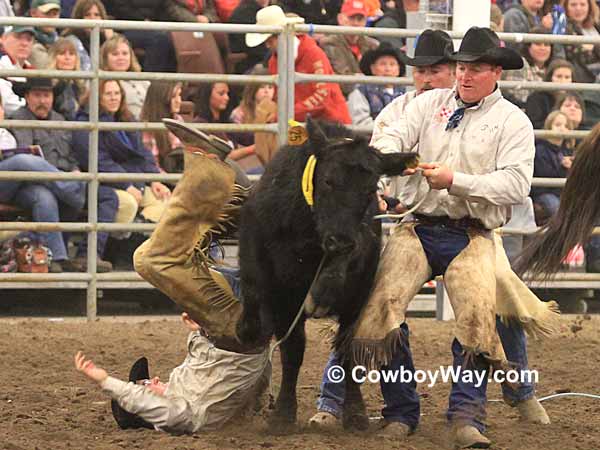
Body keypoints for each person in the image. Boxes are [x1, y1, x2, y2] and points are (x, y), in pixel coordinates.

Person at [310, 27, 555, 449]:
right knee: (377, 307)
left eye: (474, 68)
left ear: (496, 71)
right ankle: (400, 410)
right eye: (460, 67)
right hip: (418, 225)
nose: (464, 76)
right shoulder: (426, 105)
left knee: (483, 312)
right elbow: (388, 136)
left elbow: (516, 186)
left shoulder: (512, 120)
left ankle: (468, 415)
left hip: (475, 232)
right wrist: (393, 161)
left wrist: (453, 180)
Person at [74, 122, 271, 433]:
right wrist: (105, 381)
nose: (151, 381)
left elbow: (218, 369)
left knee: (179, 260)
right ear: (143, 408)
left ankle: (229, 195)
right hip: (237, 333)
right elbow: (148, 403)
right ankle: (211, 176)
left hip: (234, 332)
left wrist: (199, 330)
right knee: (149, 261)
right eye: (143, 386)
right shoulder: (179, 416)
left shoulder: (184, 394)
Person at [6, 78, 116, 273]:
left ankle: (60, 258)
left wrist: (74, 170)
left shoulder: (61, 120)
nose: (43, 100)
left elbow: (72, 156)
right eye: (37, 95)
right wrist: (68, 181)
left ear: (53, 97)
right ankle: (70, 188)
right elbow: (26, 158)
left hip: (50, 185)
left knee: (45, 196)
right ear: (27, 97)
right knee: (31, 167)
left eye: (47, 95)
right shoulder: (18, 119)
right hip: (23, 184)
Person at [73, 79, 171, 226]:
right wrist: (127, 185)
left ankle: (136, 237)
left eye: (117, 93)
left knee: (164, 201)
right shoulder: (86, 123)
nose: (114, 98)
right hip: (104, 183)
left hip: (132, 179)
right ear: (97, 97)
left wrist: (154, 179)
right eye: (108, 94)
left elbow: (142, 152)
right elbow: (100, 162)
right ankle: (122, 243)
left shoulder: (127, 119)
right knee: (128, 203)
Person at [246, 5, 351, 124]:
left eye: (270, 40)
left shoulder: (313, 54)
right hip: (301, 124)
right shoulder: (274, 61)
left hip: (330, 123)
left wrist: (284, 115)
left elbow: (322, 97)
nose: (267, 45)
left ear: (280, 35)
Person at [320, 0, 380, 96]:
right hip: (341, 97)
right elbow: (343, 80)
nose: (356, 23)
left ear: (365, 21)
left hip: (371, 97)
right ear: (340, 19)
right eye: (351, 18)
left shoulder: (374, 45)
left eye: (360, 19)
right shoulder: (329, 43)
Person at [347, 43, 405, 126]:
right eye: (382, 64)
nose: (387, 69)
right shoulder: (361, 91)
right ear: (373, 69)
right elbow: (360, 122)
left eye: (392, 64)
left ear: (398, 69)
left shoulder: (406, 92)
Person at [530, 110, 574, 223]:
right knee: (556, 208)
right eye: (558, 125)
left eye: (566, 126)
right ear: (549, 127)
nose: (562, 128)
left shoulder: (566, 150)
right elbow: (545, 174)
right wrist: (563, 167)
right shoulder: (540, 149)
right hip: (543, 193)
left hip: (560, 193)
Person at [100, 34, 149, 119]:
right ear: (105, 58)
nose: (121, 58)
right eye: (115, 54)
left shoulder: (144, 81)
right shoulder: (100, 82)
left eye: (125, 53)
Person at [140, 81, 185, 173]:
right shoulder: (148, 127)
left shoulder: (179, 119)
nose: (178, 101)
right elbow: (152, 165)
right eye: (173, 96)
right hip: (162, 180)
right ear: (161, 99)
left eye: (179, 95)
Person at [62, 0, 114, 72]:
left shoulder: (107, 37)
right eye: (87, 15)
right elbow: (85, 70)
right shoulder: (71, 40)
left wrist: (111, 41)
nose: (92, 19)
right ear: (79, 18)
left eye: (96, 15)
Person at [525, 58, 575, 128]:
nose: (563, 81)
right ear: (550, 78)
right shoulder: (536, 98)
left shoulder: (575, 99)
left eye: (567, 77)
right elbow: (534, 125)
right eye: (559, 76)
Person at [45, 38, 88, 120]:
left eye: (71, 54)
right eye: (62, 54)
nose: (67, 58)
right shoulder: (48, 84)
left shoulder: (79, 85)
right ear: (54, 57)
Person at [560, 0, 600, 83]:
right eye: (573, 5)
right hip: (584, 81)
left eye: (582, 4)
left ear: (589, 7)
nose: (578, 8)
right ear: (566, 8)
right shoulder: (563, 28)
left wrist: (594, 47)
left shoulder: (596, 26)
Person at [228, 0, 271, 74]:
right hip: (249, 66)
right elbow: (257, 49)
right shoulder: (242, 14)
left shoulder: (274, 9)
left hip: (266, 60)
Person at [0, 25, 35, 115]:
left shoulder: (32, 69)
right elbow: (9, 104)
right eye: (18, 37)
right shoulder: (2, 65)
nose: (24, 43)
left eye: (29, 39)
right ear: (3, 39)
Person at [28, 0, 61, 69]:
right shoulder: (26, 40)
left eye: (55, 14)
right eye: (47, 14)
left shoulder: (61, 40)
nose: (51, 18)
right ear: (33, 13)